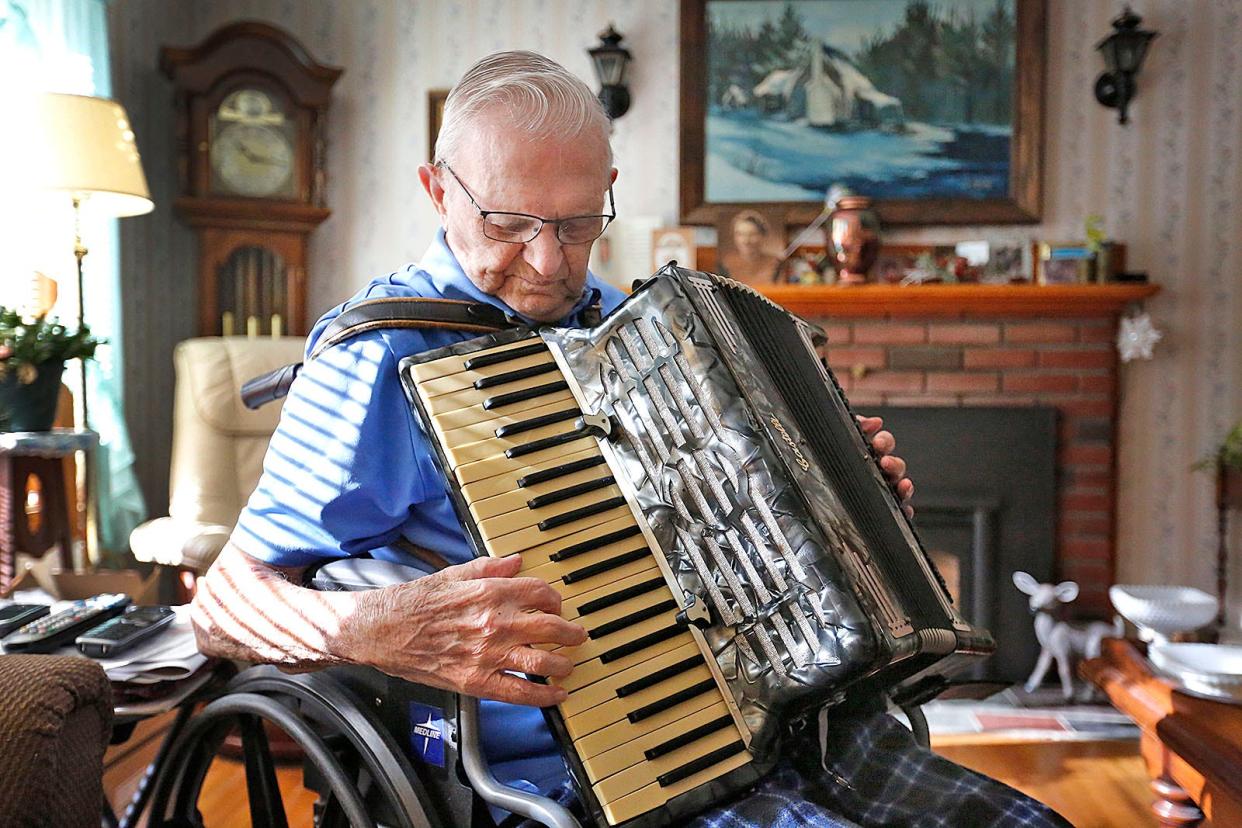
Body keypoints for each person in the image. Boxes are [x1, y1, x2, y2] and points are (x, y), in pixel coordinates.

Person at [191, 51, 1067, 828]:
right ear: (437, 190)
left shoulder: (645, 330)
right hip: (569, 783)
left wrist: (848, 516)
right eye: (508, 223)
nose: (546, 261)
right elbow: (222, 604)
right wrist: (375, 628)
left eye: (577, 223)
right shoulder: (377, 357)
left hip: (789, 729)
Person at [720, 209, 784, 285]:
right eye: (740, 234)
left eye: (752, 234)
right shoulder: (725, 265)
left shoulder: (776, 264)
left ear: (763, 236)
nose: (746, 241)